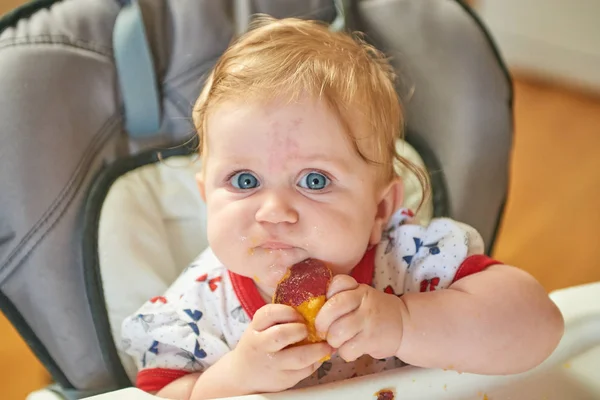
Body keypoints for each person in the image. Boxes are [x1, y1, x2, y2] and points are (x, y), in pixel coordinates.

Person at [121, 16, 564, 400]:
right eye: (244, 181)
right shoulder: (196, 311)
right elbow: (159, 395)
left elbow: (540, 327)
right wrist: (236, 378)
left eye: (314, 181)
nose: (274, 211)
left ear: (379, 210)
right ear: (206, 199)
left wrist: (405, 322)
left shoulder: (411, 264)